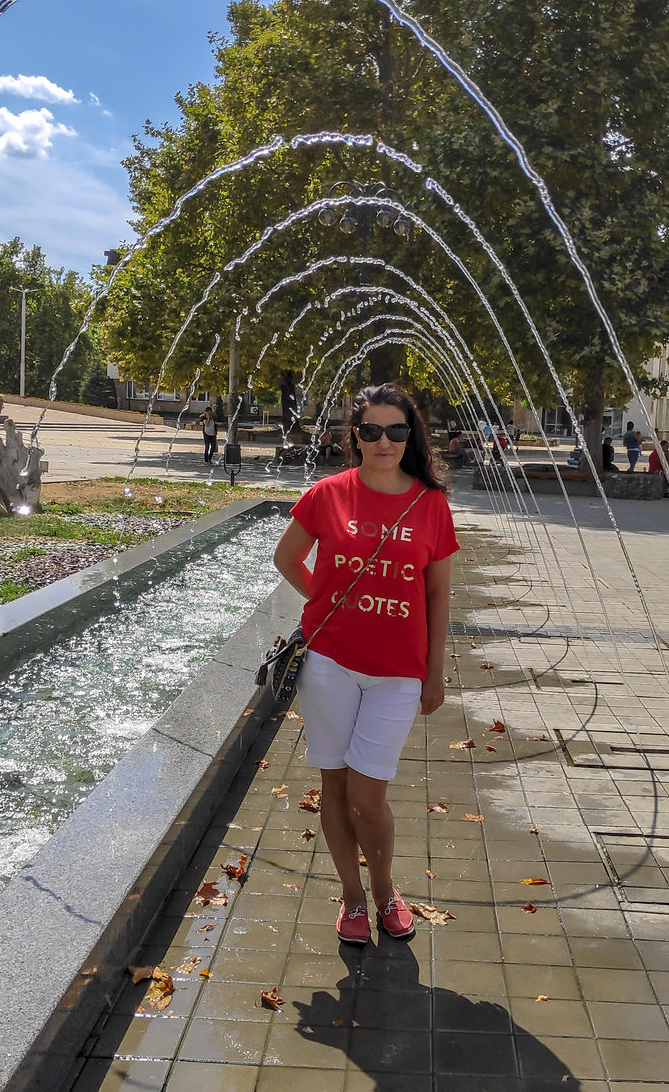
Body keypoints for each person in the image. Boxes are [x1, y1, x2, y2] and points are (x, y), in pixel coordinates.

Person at [273, 383, 458, 947]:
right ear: (355, 435)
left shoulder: (430, 504)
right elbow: (287, 558)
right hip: (330, 663)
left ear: (411, 436)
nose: (384, 441)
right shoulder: (327, 494)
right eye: (371, 430)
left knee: (368, 795)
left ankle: (384, 891)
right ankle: (351, 898)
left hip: (398, 674)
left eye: (397, 430)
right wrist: (325, 605)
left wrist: (433, 671)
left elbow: (439, 595)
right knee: (333, 784)